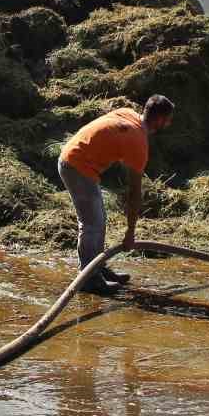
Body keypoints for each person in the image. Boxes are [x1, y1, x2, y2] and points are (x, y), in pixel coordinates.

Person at [57, 95, 176, 294]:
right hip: (76, 165)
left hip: (77, 158)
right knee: (91, 224)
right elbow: (134, 193)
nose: (170, 123)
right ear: (160, 120)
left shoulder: (128, 113)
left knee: (99, 219)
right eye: (169, 119)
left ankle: (97, 268)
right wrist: (130, 232)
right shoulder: (138, 141)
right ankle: (89, 279)